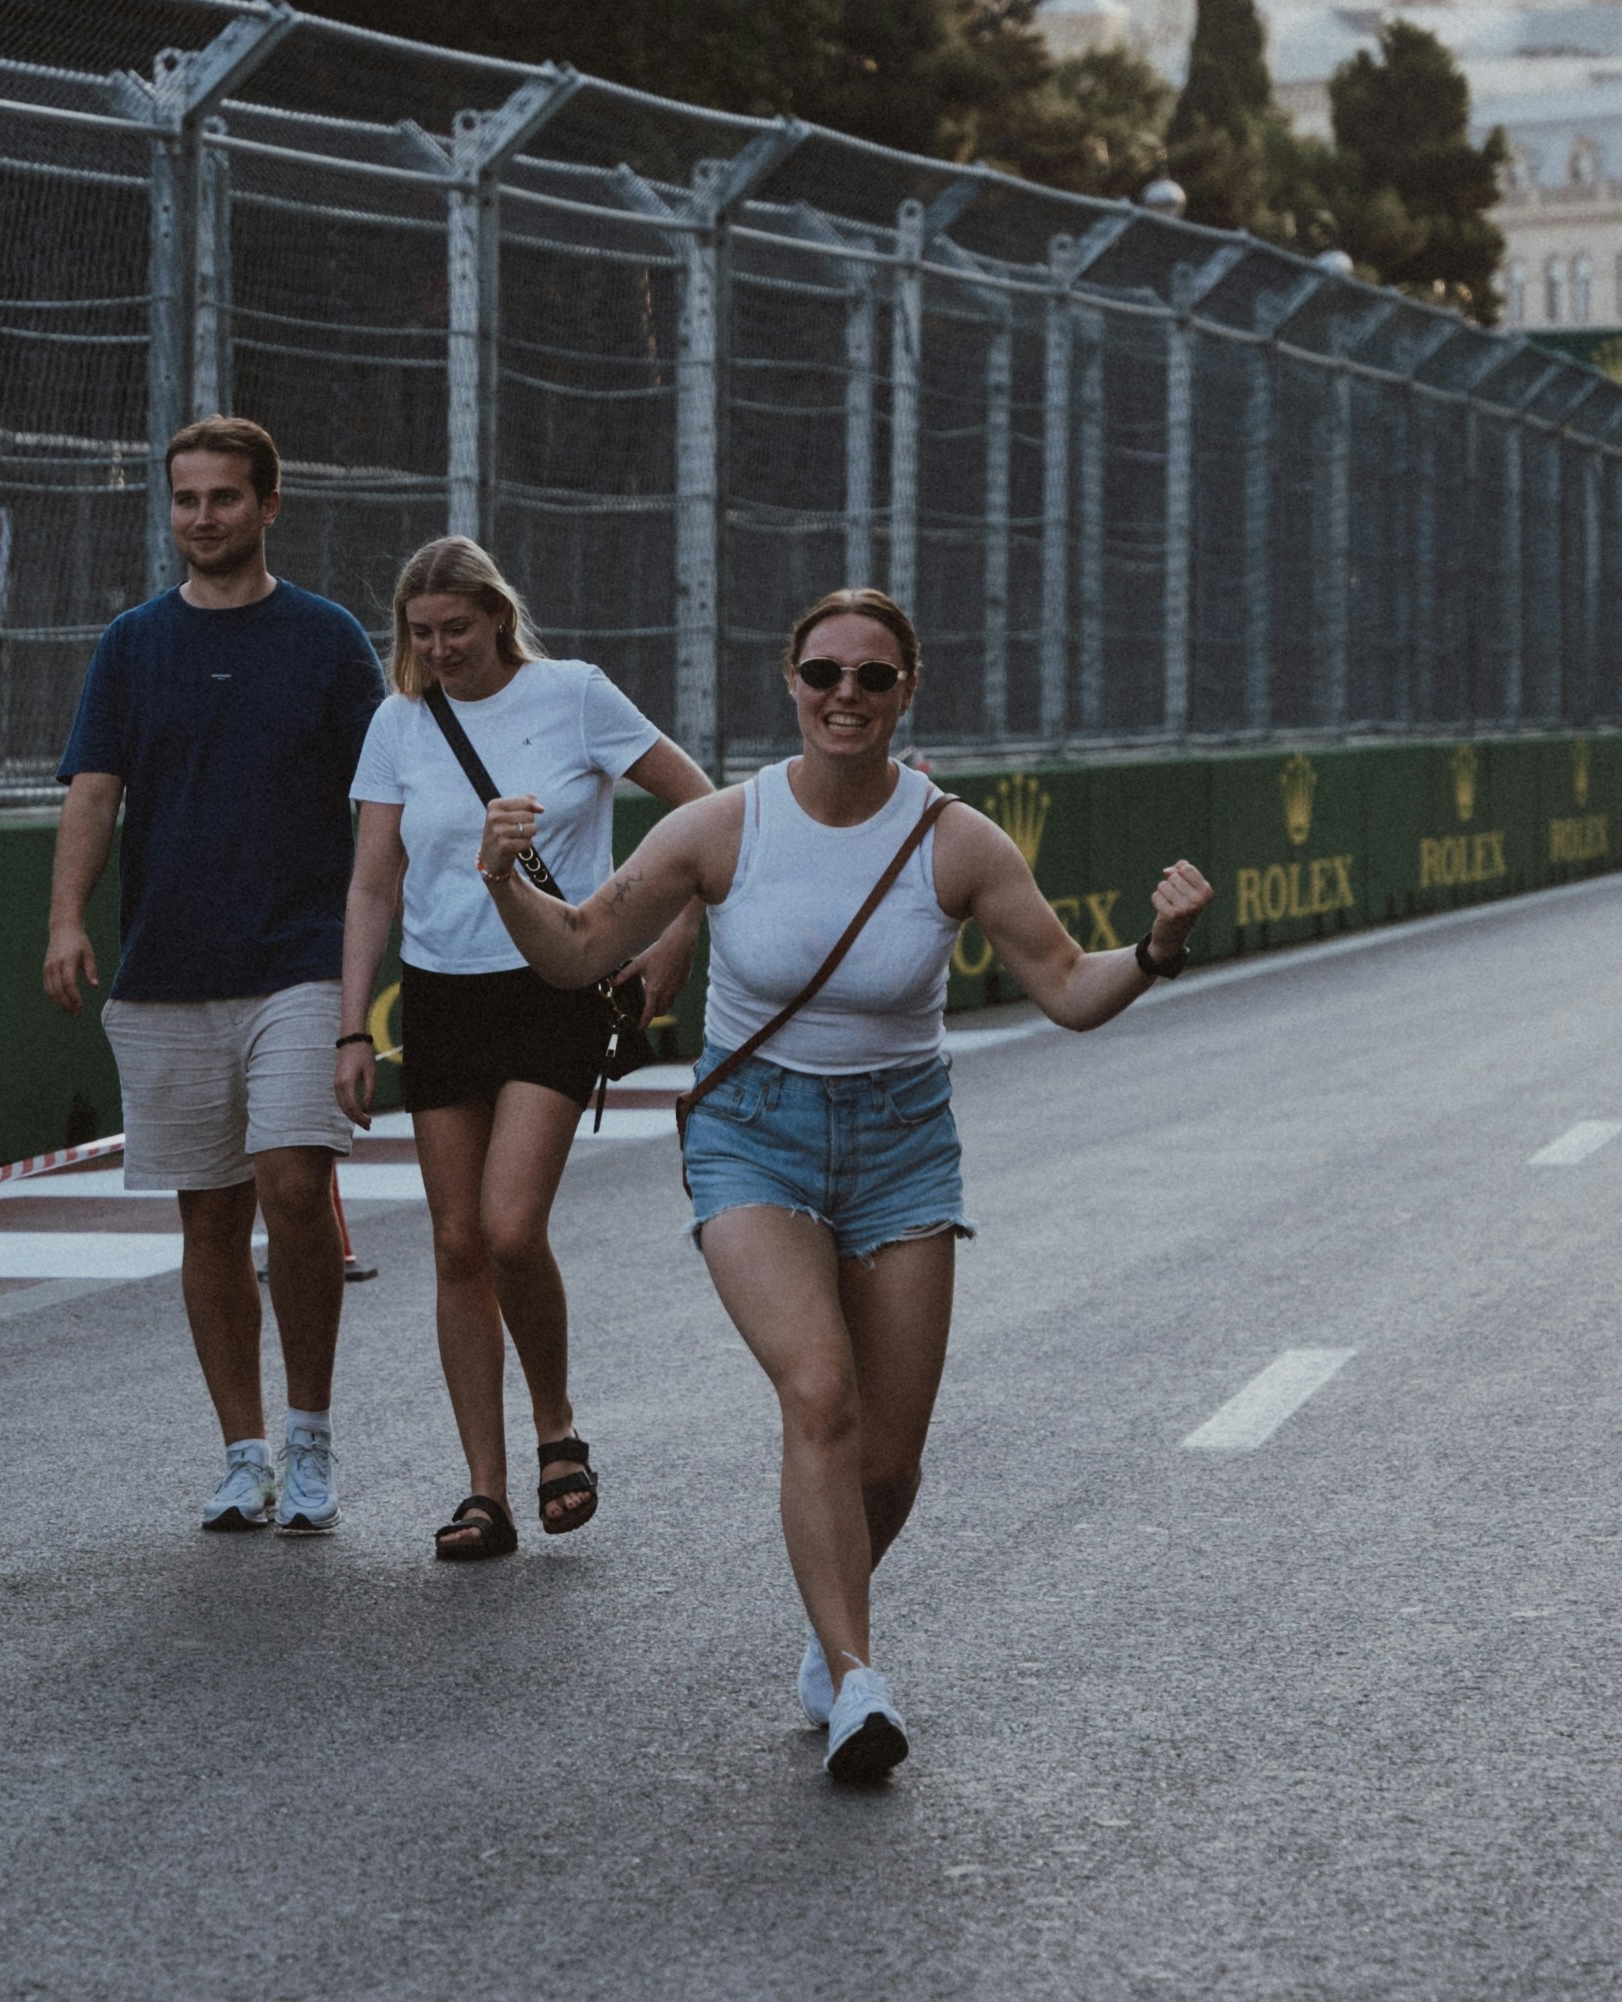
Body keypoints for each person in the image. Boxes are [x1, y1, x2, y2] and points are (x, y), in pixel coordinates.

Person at [477, 584, 1209, 1787]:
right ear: (791, 681)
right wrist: (506, 879)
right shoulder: (722, 826)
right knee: (818, 1393)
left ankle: (831, 1630)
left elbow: (1070, 988)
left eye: (873, 677)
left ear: (907, 688)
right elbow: (575, 952)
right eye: (824, 673)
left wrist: (1161, 949)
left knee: (888, 1459)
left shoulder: (955, 841)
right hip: (752, 1137)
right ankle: (857, 1674)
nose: (846, 697)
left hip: (902, 1145)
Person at [336, 538, 708, 1563]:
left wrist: (672, 933)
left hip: (554, 984)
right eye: (420, 634)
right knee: (453, 1243)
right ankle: (484, 1491)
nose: (440, 649)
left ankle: (557, 1426)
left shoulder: (575, 695)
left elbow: (703, 810)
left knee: (507, 1227)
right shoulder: (399, 723)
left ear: (498, 617)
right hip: (442, 994)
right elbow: (372, 882)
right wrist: (349, 1023)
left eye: (456, 629)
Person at [47, 416, 386, 1533]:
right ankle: (241, 1454)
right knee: (207, 1218)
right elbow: (93, 790)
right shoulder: (133, 642)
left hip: (296, 959)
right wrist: (66, 921)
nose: (203, 519)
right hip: (168, 966)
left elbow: (382, 799)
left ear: (268, 506)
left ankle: (311, 1436)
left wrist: (374, 963)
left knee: (292, 1187)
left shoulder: (329, 639)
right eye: (186, 500)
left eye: (224, 499)